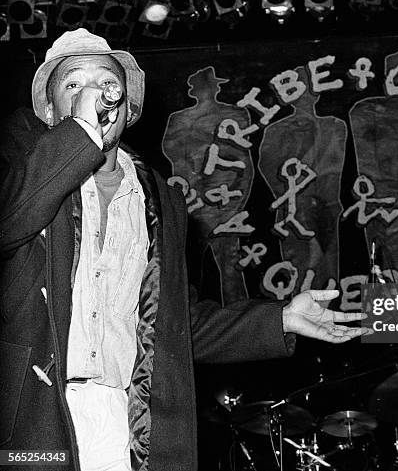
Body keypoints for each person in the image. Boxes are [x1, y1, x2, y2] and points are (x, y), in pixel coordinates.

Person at [0, 28, 369, 471]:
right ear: (50, 110)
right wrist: (77, 135)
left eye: (105, 83)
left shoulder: (161, 200)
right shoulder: (16, 165)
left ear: (127, 107)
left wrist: (280, 318)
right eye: (73, 85)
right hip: (36, 423)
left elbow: (174, 325)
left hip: (128, 418)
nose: (92, 94)